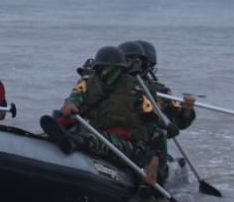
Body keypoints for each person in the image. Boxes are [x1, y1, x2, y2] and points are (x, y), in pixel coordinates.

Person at [43, 45, 160, 187]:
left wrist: (153, 159)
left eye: (113, 69)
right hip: (94, 130)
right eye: (103, 68)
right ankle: (59, 140)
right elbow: (75, 97)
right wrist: (70, 105)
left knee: (95, 138)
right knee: (81, 130)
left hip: (127, 142)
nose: (107, 73)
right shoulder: (87, 82)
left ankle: (73, 142)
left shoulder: (135, 89)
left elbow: (153, 124)